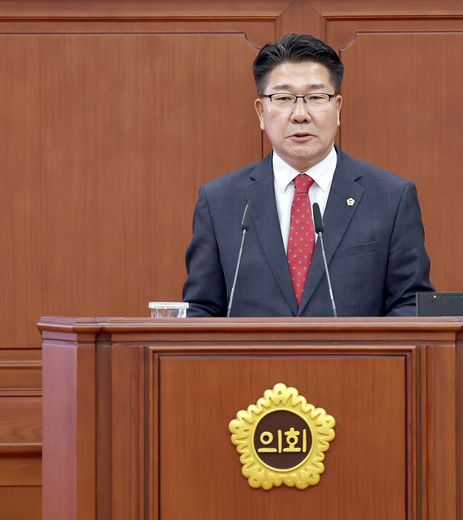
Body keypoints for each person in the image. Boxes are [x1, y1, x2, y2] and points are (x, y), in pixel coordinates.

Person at [182, 34, 433, 317]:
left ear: (337, 108)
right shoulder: (218, 202)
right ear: (261, 113)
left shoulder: (391, 198)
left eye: (315, 97)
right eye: (283, 98)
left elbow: (412, 304)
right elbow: (201, 309)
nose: (300, 114)